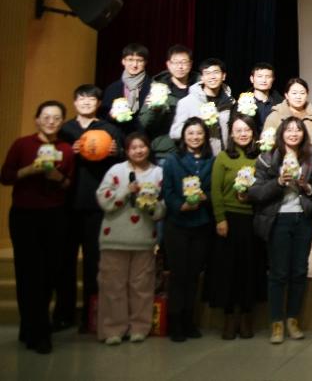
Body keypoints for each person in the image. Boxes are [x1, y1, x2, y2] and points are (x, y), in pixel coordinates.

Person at [1, 101, 75, 354]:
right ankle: (37, 330)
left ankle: (35, 326)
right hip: (24, 215)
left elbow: (69, 184)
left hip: (54, 216)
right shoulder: (22, 145)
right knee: (27, 273)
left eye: (56, 118)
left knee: (49, 273)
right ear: (37, 119)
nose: (51, 122)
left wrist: (58, 178)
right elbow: (6, 176)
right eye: (46, 117)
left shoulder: (66, 149)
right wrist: (29, 170)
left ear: (62, 122)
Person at [56, 84, 125, 332]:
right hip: (66, 204)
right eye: (81, 98)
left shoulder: (109, 129)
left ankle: (90, 315)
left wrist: (117, 152)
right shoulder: (65, 130)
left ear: (98, 103)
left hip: (97, 204)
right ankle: (63, 314)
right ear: (75, 102)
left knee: (94, 262)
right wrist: (68, 152)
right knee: (64, 261)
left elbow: (123, 162)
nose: (86, 102)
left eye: (91, 99)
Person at [248, 116, 312, 344]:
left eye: (298, 130)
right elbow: (256, 193)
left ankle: (293, 319)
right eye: (289, 130)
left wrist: (307, 187)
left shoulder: (310, 157)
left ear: (304, 134)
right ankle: (276, 322)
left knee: (299, 271)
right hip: (278, 219)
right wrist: (278, 182)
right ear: (281, 133)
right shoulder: (267, 158)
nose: (293, 134)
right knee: (278, 273)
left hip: (302, 218)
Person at [95, 132, 165, 344]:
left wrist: (150, 203)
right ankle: (112, 329)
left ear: (148, 149)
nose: (138, 151)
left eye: (142, 146)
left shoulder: (158, 173)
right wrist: (126, 191)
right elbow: (103, 200)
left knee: (142, 286)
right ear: (126, 151)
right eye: (133, 147)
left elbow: (162, 209)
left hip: (143, 238)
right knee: (112, 286)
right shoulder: (116, 171)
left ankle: (139, 327)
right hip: (114, 238)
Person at [208, 113, 265, 340]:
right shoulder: (223, 158)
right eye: (238, 130)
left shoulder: (260, 158)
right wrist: (220, 218)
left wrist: (251, 196)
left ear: (253, 133)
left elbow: (265, 187)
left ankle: (247, 316)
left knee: (249, 270)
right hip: (229, 221)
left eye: (247, 130)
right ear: (231, 134)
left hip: (253, 220)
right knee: (229, 271)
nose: (243, 134)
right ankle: (230, 317)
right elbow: (215, 191)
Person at [161, 116, 215, 342]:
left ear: (206, 136)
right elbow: (167, 190)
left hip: (201, 224)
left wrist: (205, 197)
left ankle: (189, 320)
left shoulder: (211, 161)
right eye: (191, 133)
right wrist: (179, 205)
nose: (195, 137)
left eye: (199, 133)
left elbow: (214, 191)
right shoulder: (172, 160)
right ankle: (175, 322)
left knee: (193, 275)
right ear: (183, 136)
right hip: (177, 224)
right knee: (178, 275)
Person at [137, 45, 196, 163]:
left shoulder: (200, 88)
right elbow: (143, 123)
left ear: (190, 64)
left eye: (184, 62)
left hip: (195, 151)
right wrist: (153, 109)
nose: (180, 66)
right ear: (168, 64)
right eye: (176, 62)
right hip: (165, 154)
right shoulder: (157, 89)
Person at [171, 58, 234, 155]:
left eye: (216, 72)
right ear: (202, 77)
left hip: (224, 158)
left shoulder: (230, 102)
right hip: (199, 158)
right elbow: (174, 133)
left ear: (223, 76)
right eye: (207, 73)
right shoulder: (187, 102)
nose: (212, 77)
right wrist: (198, 125)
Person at [101, 43, 151, 131]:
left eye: (139, 60)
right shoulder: (112, 88)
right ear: (123, 61)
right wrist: (112, 115)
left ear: (145, 62)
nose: (135, 65)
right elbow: (103, 116)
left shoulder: (153, 87)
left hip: (145, 135)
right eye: (130, 60)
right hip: (118, 135)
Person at [250, 62, 283, 129]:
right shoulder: (242, 103)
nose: (264, 80)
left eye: (268, 77)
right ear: (252, 79)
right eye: (260, 76)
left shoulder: (281, 103)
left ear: (273, 79)